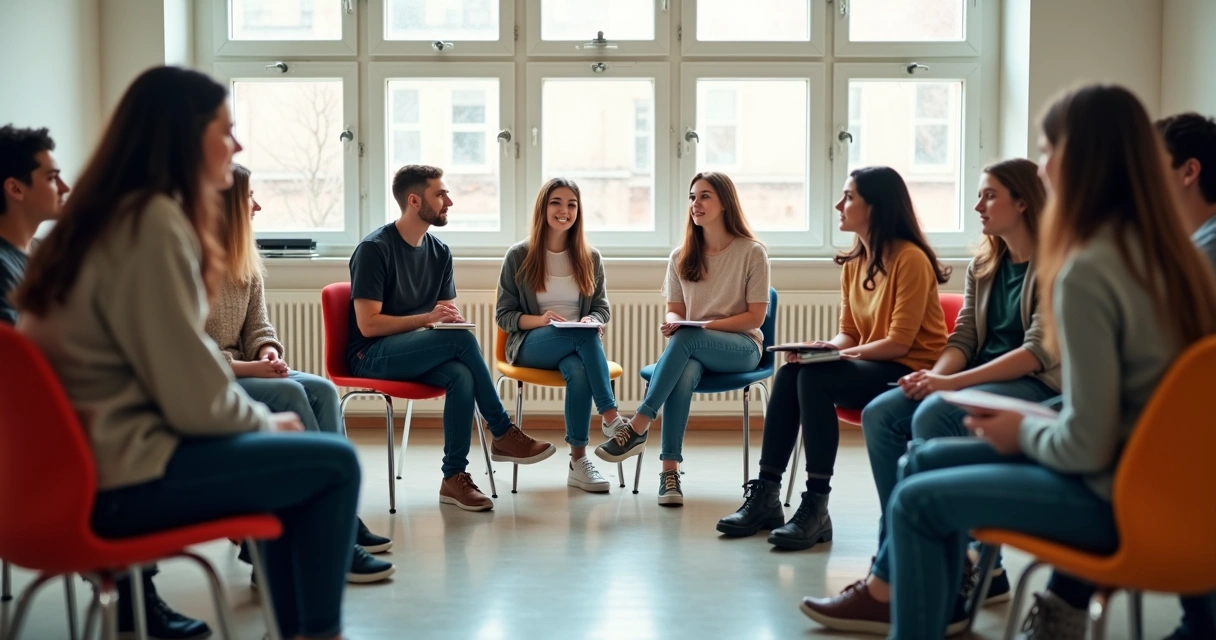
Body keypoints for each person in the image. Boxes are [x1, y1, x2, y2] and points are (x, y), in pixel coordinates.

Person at [798, 84, 1216, 639]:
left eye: (1048, 151)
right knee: (919, 461)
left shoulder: (1088, 270)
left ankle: (917, 596)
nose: (1042, 171)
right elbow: (1130, 408)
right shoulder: (1170, 257)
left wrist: (1023, 431)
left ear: (1082, 161)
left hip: (1120, 493)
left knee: (918, 494)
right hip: (1168, 480)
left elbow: (1084, 444)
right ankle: (919, 595)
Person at [16, 66, 362, 640]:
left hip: (59, 478)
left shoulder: (98, 219)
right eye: (226, 130)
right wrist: (266, 422)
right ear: (183, 135)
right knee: (333, 462)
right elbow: (194, 398)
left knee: (292, 450)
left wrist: (260, 422)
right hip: (113, 482)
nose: (239, 144)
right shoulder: (150, 222)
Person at [809, 158, 1060, 606]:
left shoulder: (1054, 266)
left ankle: (958, 560)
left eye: (990, 195)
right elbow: (962, 337)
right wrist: (934, 376)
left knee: (934, 416)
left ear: (1022, 203)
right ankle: (906, 544)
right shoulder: (985, 264)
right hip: (974, 374)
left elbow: (1035, 353)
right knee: (880, 414)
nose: (978, 205)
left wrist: (951, 385)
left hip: (1034, 383)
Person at [1, 123, 212, 640]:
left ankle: (137, 593)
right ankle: (136, 597)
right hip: (49, 448)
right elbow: (30, 377)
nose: (65, 186)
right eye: (52, 176)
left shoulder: (41, 261)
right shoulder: (6, 271)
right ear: (15, 188)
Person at [1012, 112, 1216, 640]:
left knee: (1087, 444)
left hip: (1176, 456)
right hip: (1175, 440)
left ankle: (1062, 607)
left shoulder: (1200, 257)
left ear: (1187, 171)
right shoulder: (1188, 250)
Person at [717, 166, 950, 550]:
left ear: (876, 207)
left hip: (909, 371)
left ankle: (816, 504)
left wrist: (837, 354)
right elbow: (851, 333)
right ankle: (767, 495)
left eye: (849, 197)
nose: (839, 205)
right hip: (874, 364)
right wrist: (823, 347)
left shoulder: (910, 259)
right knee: (795, 371)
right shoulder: (855, 263)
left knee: (815, 376)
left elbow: (898, 344)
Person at [207, 163, 393, 583]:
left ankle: (339, 513)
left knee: (323, 391)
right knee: (291, 396)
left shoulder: (245, 261)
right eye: (249, 196)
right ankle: (330, 534)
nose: (257, 205)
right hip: (215, 376)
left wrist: (269, 352)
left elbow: (259, 326)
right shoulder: (190, 265)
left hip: (249, 365)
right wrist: (253, 366)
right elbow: (189, 354)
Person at [347, 164, 555, 512]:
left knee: (460, 372)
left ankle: (453, 478)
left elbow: (447, 316)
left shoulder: (440, 252)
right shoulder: (374, 249)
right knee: (460, 344)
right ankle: (502, 431)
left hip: (415, 351)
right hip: (370, 356)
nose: (449, 201)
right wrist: (429, 319)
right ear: (414, 200)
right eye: (440, 194)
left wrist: (445, 320)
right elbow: (368, 326)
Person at [594, 171, 770, 506]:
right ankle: (669, 473)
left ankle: (639, 424)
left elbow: (755, 317)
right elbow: (674, 310)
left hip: (742, 346)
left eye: (704, 196)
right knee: (684, 371)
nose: (696, 203)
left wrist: (698, 327)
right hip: (693, 347)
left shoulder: (752, 253)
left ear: (724, 203)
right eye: (692, 197)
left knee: (688, 341)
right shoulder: (681, 255)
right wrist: (675, 323)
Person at [496, 177, 620, 492]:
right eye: (556, 203)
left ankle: (578, 461)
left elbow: (603, 308)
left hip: (576, 348)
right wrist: (540, 320)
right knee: (587, 336)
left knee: (581, 367)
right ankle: (611, 417)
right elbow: (504, 315)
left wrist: (593, 317)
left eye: (571, 205)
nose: (564, 210)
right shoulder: (518, 255)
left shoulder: (590, 258)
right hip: (531, 344)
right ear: (544, 208)